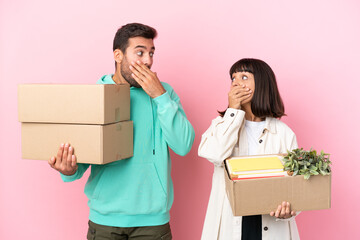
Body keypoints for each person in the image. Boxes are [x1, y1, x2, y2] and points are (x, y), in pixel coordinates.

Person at [48, 23, 195, 240]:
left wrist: (160, 97)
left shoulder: (165, 93)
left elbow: (183, 145)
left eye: (151, 53)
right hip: (105, 221)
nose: (148, 61)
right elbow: (79, 165)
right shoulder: (95, 96)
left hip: (153, 223)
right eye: (140, 52)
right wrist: (67, 169)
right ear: (118, 55)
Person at [198, 58, 300, 240]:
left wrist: (290, 210)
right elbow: (214, 154)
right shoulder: (221, 124)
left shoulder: (284, 133)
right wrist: (233, 112)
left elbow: (296, 185)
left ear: (262, 85)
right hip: (231, 223)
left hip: (271, 224)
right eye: (233, 78)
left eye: (244, 77)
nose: (236, 83)